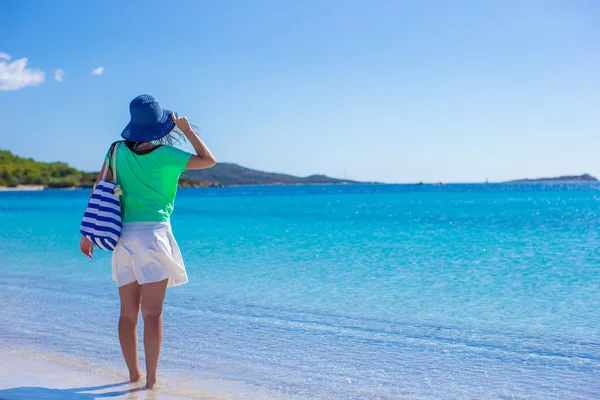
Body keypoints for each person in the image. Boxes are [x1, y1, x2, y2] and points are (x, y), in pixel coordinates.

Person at [79, 94, 216, 389]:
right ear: (160, 126)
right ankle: (151, 383)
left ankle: (133, 375)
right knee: (152, 314)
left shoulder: (116, 150)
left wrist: (87, 232)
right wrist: (188, 130)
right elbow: (209, 160)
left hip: (122, 237)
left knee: (127, 314)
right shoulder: (168, 155)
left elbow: (98, 188)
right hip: (154, 236)